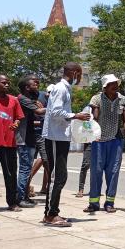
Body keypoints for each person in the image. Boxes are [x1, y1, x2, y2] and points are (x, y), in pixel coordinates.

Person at [41, 62, 90, 227]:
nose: (80, 78)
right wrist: (76, 115)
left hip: (61, 137)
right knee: (58, 176)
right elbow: (55, 112)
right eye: (80, 74)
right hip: (55, 137)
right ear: (74, 72)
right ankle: (50, 214)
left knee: (60, 176)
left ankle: (52, 212)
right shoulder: (61, 89)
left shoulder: (65, 89)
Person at [84, 74, 125, 213]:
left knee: (113, 172)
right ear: (105, 86)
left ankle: (109, 202)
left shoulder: (123, 100)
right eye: (111, 84)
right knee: (96, 171)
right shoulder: (97, 98)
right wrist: (91, 133)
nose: (115, 85)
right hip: (98, 140)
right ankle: (94, 203)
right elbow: (94, 118)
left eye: (116, 83)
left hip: (115, 140)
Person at [0, 75, 24, 212]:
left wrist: (16, 123)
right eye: (3, 83)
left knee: (10, 174)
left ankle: (12, 203)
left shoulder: (14, 100)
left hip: (9, 143)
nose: (7, 85)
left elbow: (19, 117)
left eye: (8, 83)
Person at [16, 76, 46, 208]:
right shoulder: (22, 99)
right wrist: (53, 108)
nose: (37, 84)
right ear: (27, 87)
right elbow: (39, 111)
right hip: (23, 139)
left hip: (30, 137)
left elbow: (38, 115)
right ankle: (20, 198)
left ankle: (25, 196)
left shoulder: (30, 100)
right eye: (34, 83)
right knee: (24, 169)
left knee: (27, 169)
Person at [27, 84, 51, 197]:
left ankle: (44, 187)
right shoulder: (27, 98)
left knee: (46, 160)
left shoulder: (46, 98)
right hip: (33, 133)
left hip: (44, 133)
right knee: (39, 159)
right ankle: (26, 183)